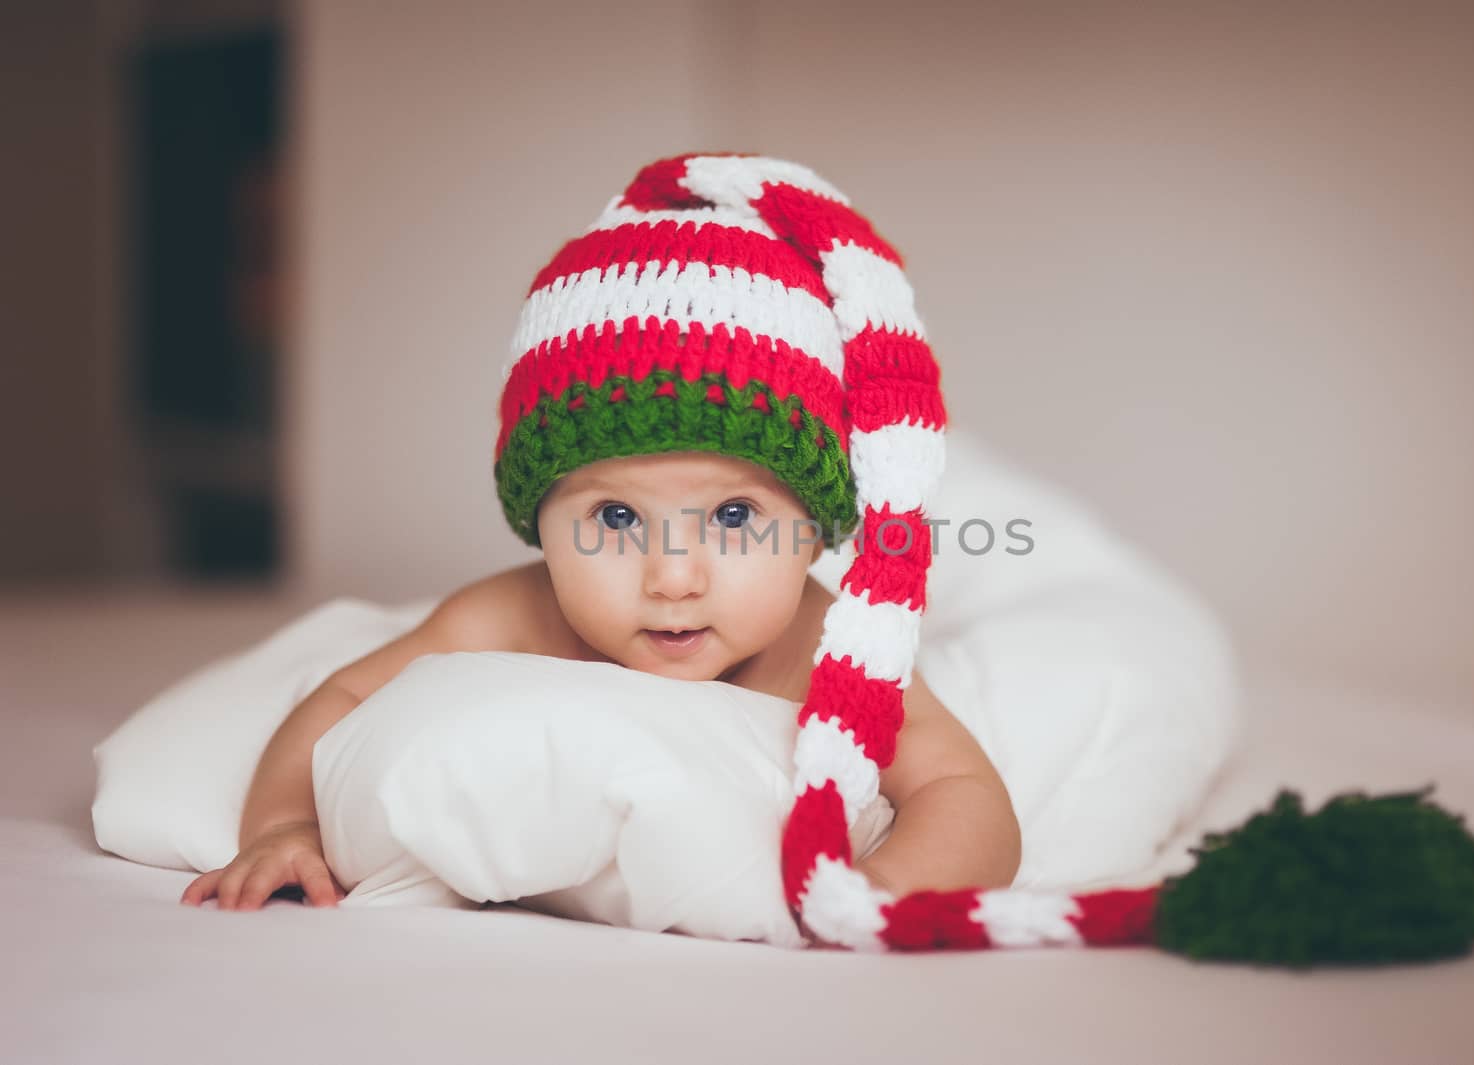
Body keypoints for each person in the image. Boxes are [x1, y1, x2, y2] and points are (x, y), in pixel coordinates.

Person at [180, 154, 1022, 940]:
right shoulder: (517, 614)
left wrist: (872, 894)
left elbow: (967, 796)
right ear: (537, 517)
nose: (673, 576)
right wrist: (286, 824)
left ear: (810, 531)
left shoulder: (826, 647)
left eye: (734, 518)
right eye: (615, 519)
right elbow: (339, 701)